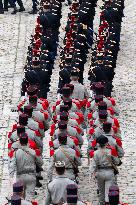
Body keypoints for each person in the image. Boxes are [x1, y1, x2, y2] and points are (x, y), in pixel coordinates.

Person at [9, 133, 43, 201]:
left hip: (20, 176)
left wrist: (11, 176)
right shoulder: (33, 152)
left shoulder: (16, 153)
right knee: (30, 197)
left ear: (20, 142)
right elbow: (41, 163)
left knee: (19, 197)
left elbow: (12, 165)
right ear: (28, 141)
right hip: (31, 176)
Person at [89, 135, 120, 205]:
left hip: (100, 173)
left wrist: (91, 174)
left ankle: (101, 203)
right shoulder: (111, 151)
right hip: (109, 172)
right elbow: (117, 162)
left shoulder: (95, 153)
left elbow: (93, 165)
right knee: (109, 192)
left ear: (98, 144)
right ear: (106, 143)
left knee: (101, 192)